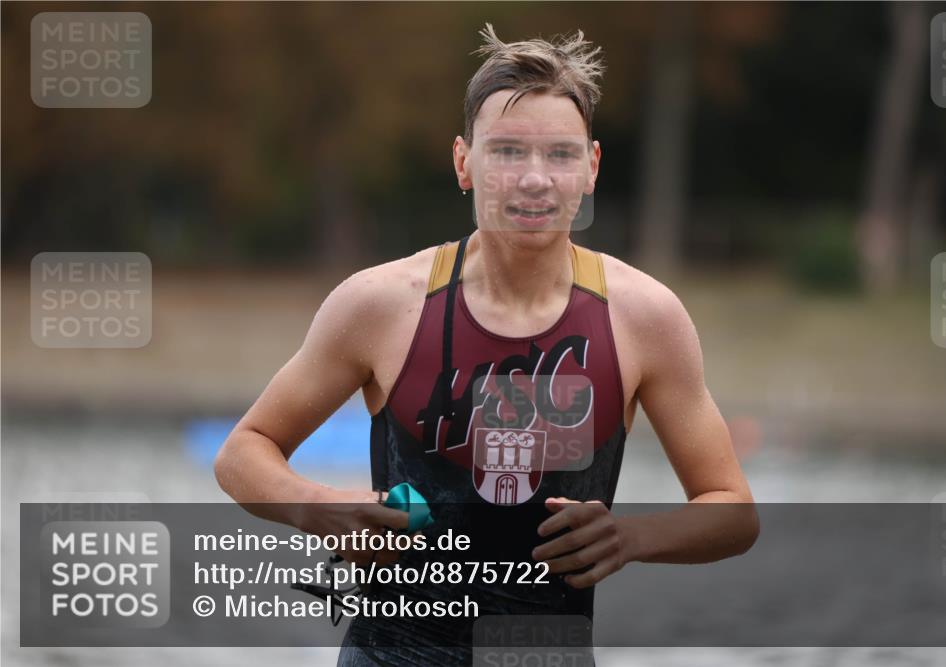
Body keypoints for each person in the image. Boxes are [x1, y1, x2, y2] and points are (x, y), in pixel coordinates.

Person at [215, 23, 758, 666]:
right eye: (506, 152)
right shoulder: (380, 305)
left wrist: (631, 537)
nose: (534, 179)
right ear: (463, 162)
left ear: (591, 167)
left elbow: (732, 511)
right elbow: (243, 451)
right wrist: (318, 507)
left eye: (560, 155)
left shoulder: (645, 317)